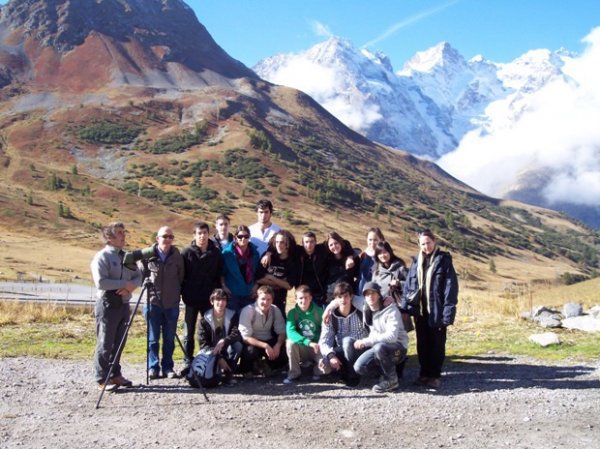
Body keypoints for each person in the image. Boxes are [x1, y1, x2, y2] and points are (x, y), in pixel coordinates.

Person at [403, 229, 458, 389]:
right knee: (422, 344)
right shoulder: (416, 262)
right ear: (419, 245)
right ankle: (424, 373)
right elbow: (409, 286)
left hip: (437, 311)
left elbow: (450, 288)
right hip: (420, 312)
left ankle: (434, 375)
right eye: (423, 243)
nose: (426, 246)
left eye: (428, 242)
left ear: (434, 241)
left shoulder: (444, 261)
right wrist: (407, 308)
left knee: (437, 344)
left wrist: (447, 314)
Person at [90, 222, 142, 391]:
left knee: (120, 340)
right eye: (119, 233)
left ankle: (115, 374)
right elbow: (101, 282)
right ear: (109, 237)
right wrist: (123, 283)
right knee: (105, 341)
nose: (123, 236)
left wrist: (131, 286)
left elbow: (138, 276)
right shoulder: (102, 257)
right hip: (107, 304)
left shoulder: (127, 257)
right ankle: (102, 378)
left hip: (124, 304)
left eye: (123, 232)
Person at [140, 226, 184, 379]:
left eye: (170, 237)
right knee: (152, 338)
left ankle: (168, 367)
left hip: (172, 304)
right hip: (152, 303)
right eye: (164, 236)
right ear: (157, 238)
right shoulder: (147, 256)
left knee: (169, 338)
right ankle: (153, 367)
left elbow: (181, 277)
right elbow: (140, 277)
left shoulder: (177, 256)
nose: (168, 239)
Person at [180, 222, 223, 376]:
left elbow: (219, 275)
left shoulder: (216, 253)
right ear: (194, 235)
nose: (202, 236)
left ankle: (209, 359)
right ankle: (188, 361)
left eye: (205, 233)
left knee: (210, 331)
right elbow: (181, 276)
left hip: (208, 299)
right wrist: (182, 292)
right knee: (188, 331)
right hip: (191, 299)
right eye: (199, 233)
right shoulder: (186, 253)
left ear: (208, 234)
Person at [353, 282, 408, 393]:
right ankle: (384, 373)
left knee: (379, 347)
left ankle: (391, 380)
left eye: (373, 293)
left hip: (397, 347)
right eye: (367, 294)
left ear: (379, 295)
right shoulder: (366, 306)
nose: (370, 296)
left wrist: (366, 341)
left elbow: (392, 337)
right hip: (378, 347)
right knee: (359, 367)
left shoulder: (391, 310)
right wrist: (330, 308)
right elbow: (349, 296)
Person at [318, 281, 367, 387]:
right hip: (342, 349)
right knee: (325, 361)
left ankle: (354, 376)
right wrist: (331, 356)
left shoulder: (361, 312)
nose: (343, 300)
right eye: (340, 297)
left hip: (362, 348)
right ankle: (342, 373)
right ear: (335, 299)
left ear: (351, 297)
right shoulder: (330, 317)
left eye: (346, 296)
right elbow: (324, 340)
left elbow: (371, 304)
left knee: (348, 341)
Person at [197, 288, 243, 386]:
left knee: (238, 345)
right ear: (212, 301)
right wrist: (219, 358)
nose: (221, 302)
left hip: (226, 348)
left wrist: (223, 341)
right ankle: (217, 371)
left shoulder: (233, 315)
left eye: (223, 299)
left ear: (227, 302)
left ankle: (229, 371)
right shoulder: (203, 320)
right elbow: (203, 344)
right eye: (217, 299)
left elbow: (236, 334)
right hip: (211, 351)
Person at [238, 285, 287, 376]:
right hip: (253, 342)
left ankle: (265, 365)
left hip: (269, 340)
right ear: (257, 298)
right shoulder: (248, 310)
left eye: (269, 299)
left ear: (272, 300)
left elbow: (282, 332)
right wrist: (265, 346)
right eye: (263, 299)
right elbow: (245, 338)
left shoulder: (275, 310)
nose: (265, 302)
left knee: (283, 354)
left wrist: (278, 345)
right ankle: (252, 367)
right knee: (250, 352)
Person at [284, 285, 324, 384]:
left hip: (318, 346)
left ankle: (315, 370)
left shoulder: (319, 311)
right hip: (303, 346)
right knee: (290, 343)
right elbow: (291, 333)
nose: (303, 301)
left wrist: (321, 344)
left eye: (306, 297)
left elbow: (326, 330)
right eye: (300, 298)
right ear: (296, 299)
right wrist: (308, 342)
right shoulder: (292, 313)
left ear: (310, 298)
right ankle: (294, 373)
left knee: (326, 368)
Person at [256, 230, 299, 316]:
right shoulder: (268, 257)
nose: (279, 245)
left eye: (282, 242)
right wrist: (279, 283)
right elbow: (257, 278)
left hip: (279, 300)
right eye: (277, 242)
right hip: (262, 299)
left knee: (279, 325)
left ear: (288, 244)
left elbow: (289, 286)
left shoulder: (292, 262)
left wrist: (271, 278)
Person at [221, 224, 261, 313]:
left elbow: (258, 273)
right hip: (232, 293)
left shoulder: (255, 253)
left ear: (249, 237)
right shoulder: (227, 254)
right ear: (235, 237)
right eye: (240, 236)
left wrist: (256, 286)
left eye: (246, 236)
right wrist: (224, 286)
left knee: (247, 321)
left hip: (249, 293)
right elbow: (221, 273)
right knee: (233, 322)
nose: (243, 239)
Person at [324, 232, 359, 303]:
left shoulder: (352, 259)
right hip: (332, 297)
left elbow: (359, 275)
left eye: (336, 243)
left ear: (340, 242)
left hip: (348, 296)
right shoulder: (327, 260)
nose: (334, 246)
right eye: (331, 245)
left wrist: (350, 257)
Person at [357, 227, 385, 295]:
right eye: (370, 240)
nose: (372, 242)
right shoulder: (362, 255)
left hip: (377, 294)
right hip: (360, 292)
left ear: (381, 240)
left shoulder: (384, 256)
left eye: (375, 240)